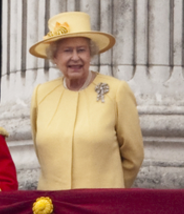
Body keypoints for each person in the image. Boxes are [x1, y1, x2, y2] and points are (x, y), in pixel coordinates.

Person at [28, 11, 144, 189]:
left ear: (91, 54)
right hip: (54, 204)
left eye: (81, 50)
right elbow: (40, 149)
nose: (75, 57)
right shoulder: (41, 94)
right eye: (67, 51)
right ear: (55, 57)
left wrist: (112, 190)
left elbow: (133, 156)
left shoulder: (116, 91)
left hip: (100, 205)